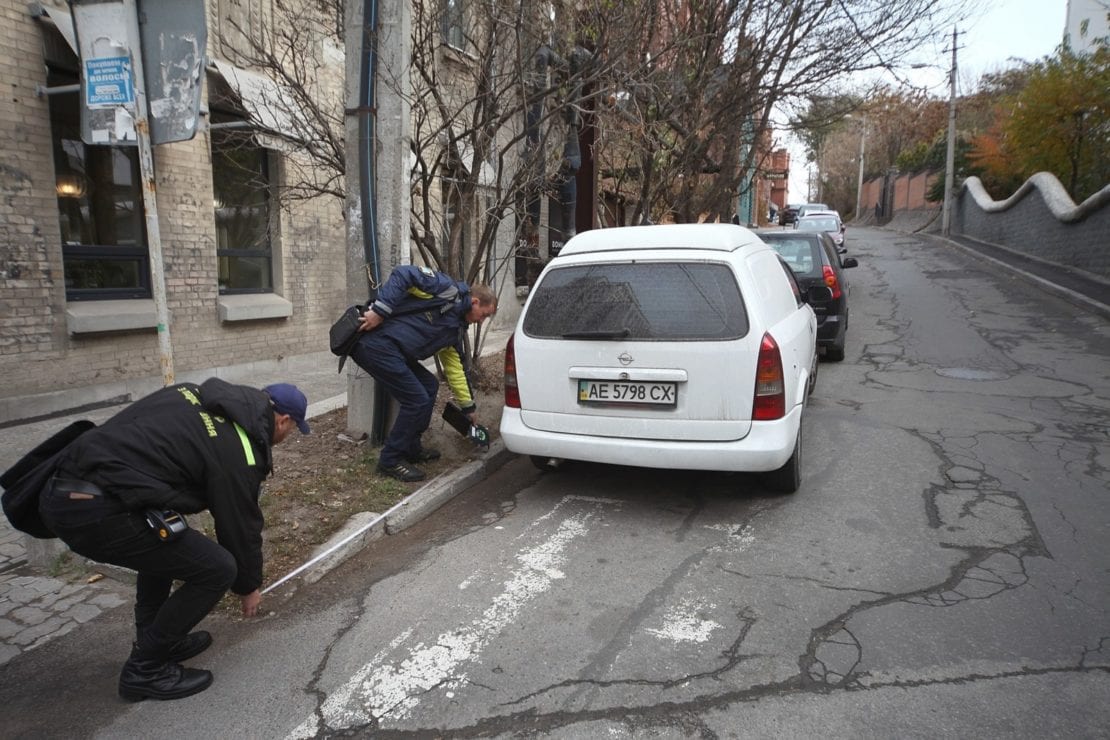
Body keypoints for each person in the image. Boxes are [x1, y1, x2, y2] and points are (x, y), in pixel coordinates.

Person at [36, 378, 309, 702]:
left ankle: (159, 639)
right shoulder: (240, 450)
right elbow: (239, 527)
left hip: (70, 487)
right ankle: (144, 670)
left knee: (166, 538)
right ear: (283, 420)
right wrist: (249, 587)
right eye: (292, 430)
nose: (287, 437)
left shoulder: (194, 393)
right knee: (219, 569)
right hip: (92, 509)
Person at [351, 265, 498, 482]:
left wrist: (469, 408)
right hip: (375, 344)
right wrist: (380, 311)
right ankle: (390, 460)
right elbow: (404, 274)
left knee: (429, 385)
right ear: (475, 302)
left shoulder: (455, 330)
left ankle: (411, 447)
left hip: (395, 351)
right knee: (416, 399)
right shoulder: (446, 290)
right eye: (483, 316)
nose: (481, 322)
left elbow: (456, 369)